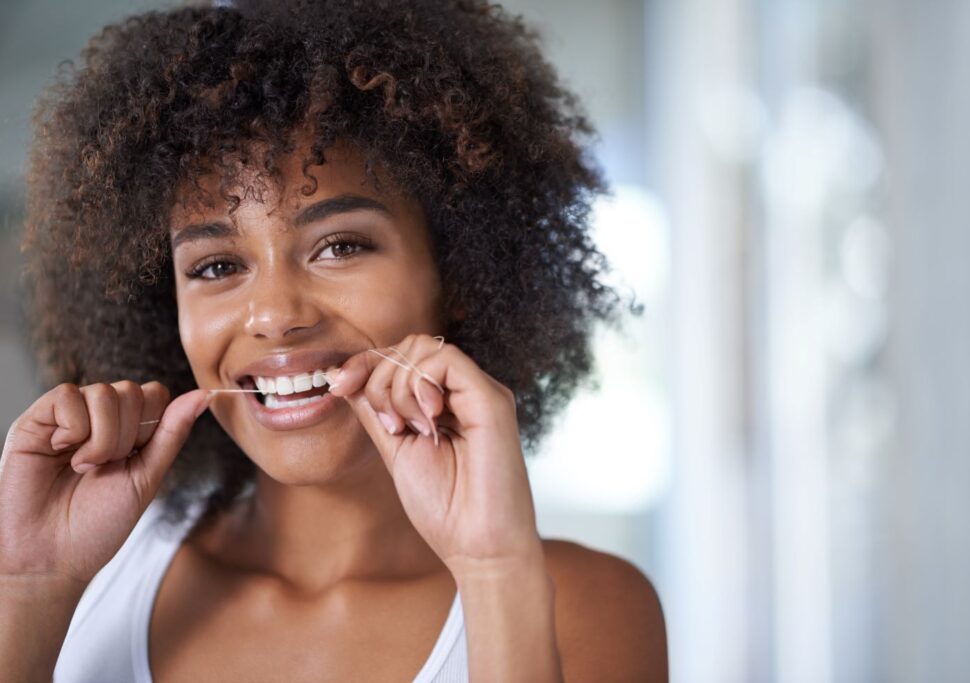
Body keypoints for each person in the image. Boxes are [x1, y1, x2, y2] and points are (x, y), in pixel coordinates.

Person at [0, 0, 668, 680]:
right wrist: (29, 588)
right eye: (217, 266)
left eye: (339, 245)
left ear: (460, 271)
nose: (274, 314)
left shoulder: (582, 605)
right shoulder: (85, 577)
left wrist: (494, 569)